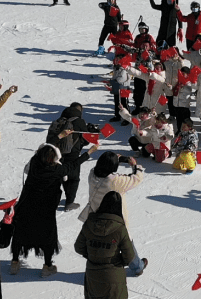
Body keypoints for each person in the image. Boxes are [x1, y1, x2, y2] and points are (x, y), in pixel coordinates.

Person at [10, 142, 99, 278]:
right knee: (47, 236)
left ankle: (15, 262)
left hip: (26, 205)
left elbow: (38, 152)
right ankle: (47, 266)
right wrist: (89, 153)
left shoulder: (34, 163)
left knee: (20, 232)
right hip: (46, 209)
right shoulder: (57, 170)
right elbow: (73, 165)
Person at [78, 152, 148, 278]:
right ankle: (137, 267)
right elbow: (136, 179)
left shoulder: (92, 174)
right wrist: (135, 166)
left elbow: (104, 167)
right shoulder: (114, 181)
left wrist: (116, 159)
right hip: (114, 218)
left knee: (100, 242)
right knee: (126, 243)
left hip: (95, 216)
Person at [74, 191, 135, 299]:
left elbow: (78, 247)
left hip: (92, 276)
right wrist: (117, 261)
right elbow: (129, 256)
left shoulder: (89, 223)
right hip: (114, 278)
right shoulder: (120, 229)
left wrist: (93, 255)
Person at [46, 103, 100, 211]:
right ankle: (69, 202)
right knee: (73, 179)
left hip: (57, 153)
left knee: (61, 176)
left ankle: (54, 199)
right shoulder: (79, 121)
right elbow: (85, 141)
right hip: (72, 154)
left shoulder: (58, 120)